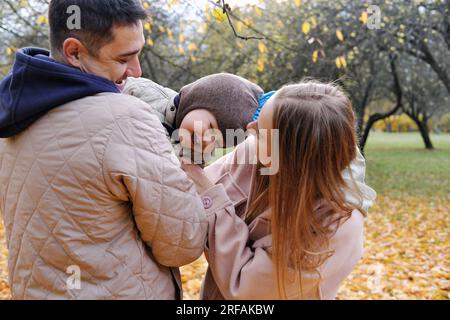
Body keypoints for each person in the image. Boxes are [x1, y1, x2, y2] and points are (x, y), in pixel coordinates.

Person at [0, 0, 218, 299]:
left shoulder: (12, 120)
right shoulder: (126, 118)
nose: (136, 71)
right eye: (124, 58)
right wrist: (190, 162)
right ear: (74, 52)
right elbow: (182, 243)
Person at [183, 80, 377, 299]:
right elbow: (190, 191)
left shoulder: (336, 227)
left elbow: (249, 291)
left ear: (291, 159)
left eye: (262, 132)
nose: (249, 129)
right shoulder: (255, 153)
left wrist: (213, 202)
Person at [122, 73, 267, 164]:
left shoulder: (194, 159)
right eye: (210, 128)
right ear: (194, 101)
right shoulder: (143, 93)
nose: (206, 141)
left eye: (216, 142)